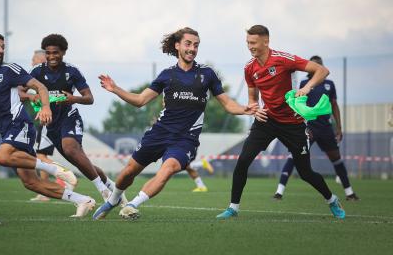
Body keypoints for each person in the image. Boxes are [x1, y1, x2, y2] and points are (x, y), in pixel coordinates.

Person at [93, 27, 256, 220]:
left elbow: (227, 103)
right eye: (188, 44)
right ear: (177, 45)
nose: (192, 49)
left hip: (185, 139)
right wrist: (115, 88)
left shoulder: (207, 74)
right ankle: (113, 200)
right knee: (129, 171)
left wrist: (244, 109)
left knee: (168, 169)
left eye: (196, 45)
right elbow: (140, 101)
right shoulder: (166, 75)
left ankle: (132, 205)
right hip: (159, 132)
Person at [216, 25, 346, 220]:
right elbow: (253, 96)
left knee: (305, 172)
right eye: (247, 43)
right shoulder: (249, 68)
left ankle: (331, 199)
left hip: (293, 123)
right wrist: (254, 108)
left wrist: (308, 87)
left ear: (265, 41)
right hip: (266, 120)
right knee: (243, 160)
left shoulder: (284, 59)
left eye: (253, 43)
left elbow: (322, 70)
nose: (249, 47)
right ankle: (233, 208)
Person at [0, 33, 95, 217]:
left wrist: (46, 107)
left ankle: (55, 169)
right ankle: (82, 200)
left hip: (19, 125)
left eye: (3, 47)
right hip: (6, 131)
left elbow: (41, 87)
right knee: (31, 183)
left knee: (1, 157)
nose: (0, 50)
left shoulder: (10, 70)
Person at [20, 34, 124, 203]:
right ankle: (112, 187)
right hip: (50, 124)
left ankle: (104, 191)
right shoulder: (37, 71)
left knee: (70, 149)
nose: (52, 56)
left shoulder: (71, 71)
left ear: (63, 52)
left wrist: (73, 98)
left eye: (56, 52)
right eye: (48, 53)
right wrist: (32, 97)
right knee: (81, 162)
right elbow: (19, 91)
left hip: (69, 117)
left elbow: (89, 98)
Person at [273, 55, 359, 201]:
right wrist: (299, 123)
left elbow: (334, 105)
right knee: (294, 155)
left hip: (325, 128)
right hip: (309, 128)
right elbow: (299, 104)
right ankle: (279, 192)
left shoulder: (329, 84)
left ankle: (349, 193)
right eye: (314, 64)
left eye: (319, 64)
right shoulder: (304, 83)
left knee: (336, 158)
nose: (317, 65)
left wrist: (339, 127)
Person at [28, 49, 75, 202]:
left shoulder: (46, 79)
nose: (32, 63)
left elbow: (55, 99)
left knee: (40, 155)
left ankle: (64, 176)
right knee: (41, 155)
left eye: (34, 60)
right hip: (46, 120)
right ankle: (47, 189)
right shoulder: (38, 79)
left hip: (51, 122)